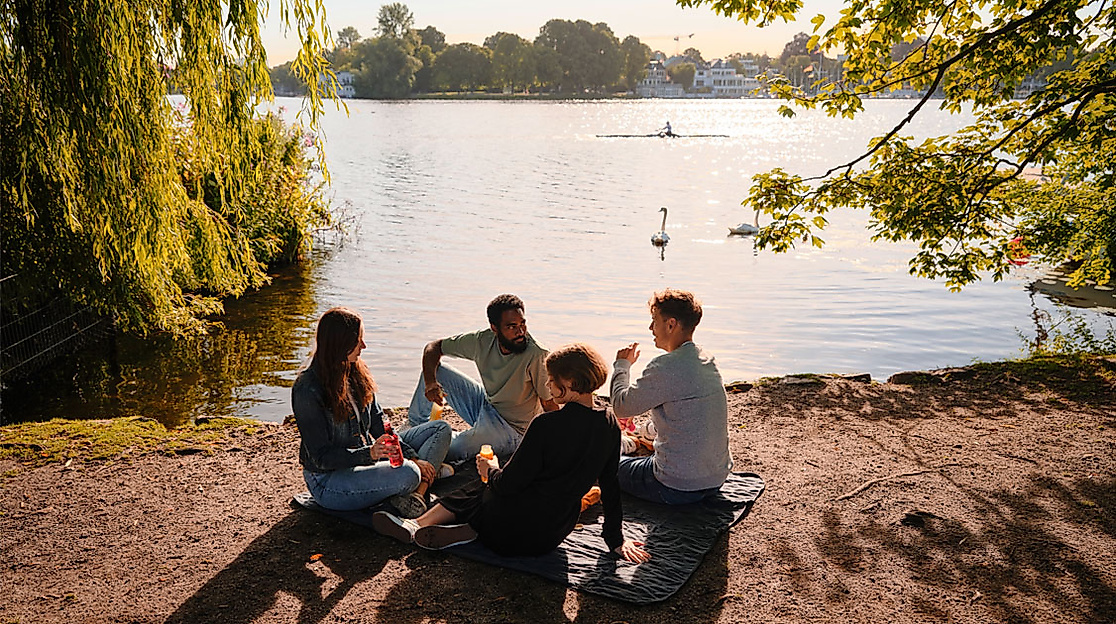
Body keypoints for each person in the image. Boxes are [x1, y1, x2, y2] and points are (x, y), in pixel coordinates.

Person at [374, 344, 651, 563]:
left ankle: (419, 524)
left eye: (551, 381)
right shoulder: (609, 422)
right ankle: (468, 530)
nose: (547, 387)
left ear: (568, 383)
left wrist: (489, 470)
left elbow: (507, 484)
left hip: (509, 529)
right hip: (551, 535)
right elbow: (610, 484)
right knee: (506, 485)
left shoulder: (546, 425)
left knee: (483, 483)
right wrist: (616, 540)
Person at [292, 307, 452, 518]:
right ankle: (422, 478)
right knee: (408, 473)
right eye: (358, 340)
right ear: (341, 343)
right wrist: (370, 454)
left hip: (368, 460)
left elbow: (379, 422)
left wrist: (412, 456)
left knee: (440, 429)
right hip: (329, 480)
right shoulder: (307, 389)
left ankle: (418, 486)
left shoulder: (355, 371)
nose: (363, 345)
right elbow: (321, 457)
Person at [610, 289, 732, 505]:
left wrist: (622, 365)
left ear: (671, 324)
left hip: (675, 486)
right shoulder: (707, 360)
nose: (650, 328)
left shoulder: (664, 366)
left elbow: (620, 406)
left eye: (654, 320)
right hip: (716, 479)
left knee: (603, 463)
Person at [406, 294, 558, 462]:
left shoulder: (537, 354)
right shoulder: (482, 340)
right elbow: (433, 347)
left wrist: (556, 444)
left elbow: (549, 404)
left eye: (523, 324)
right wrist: (430, 383)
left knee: (448, 448)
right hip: (486, 404)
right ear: (494, 328)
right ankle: (414, 427)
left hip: (512, 428)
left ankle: (428, 447)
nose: (521, 332)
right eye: (512, 326)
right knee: (435, 371)